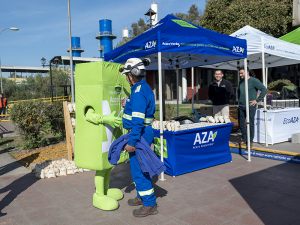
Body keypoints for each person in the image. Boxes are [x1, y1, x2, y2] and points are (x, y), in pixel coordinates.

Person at [121, 58, 158, 217]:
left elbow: (137, 121)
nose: (126, 77)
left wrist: (132, 142)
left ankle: (150, 204)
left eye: (127, 74)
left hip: (139, 134)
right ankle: (142, 196)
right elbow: (139, 108)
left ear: (132, 74)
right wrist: (127, 103)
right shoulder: (143, 88)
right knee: (139, 167)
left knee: (139, 169)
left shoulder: (138, 92)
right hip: (143, 132)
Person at [238, 67, 267, 146]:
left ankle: (250, 141)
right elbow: (239, 92)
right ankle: (244, 138)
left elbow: (264, 90)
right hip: (241, 105)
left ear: (247, 72)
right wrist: (238, 101)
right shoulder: (241, 82)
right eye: (240, 73)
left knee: (250, 123)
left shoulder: (254, 80)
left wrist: (257, 100)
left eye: (241, 73)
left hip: (250, 105)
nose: (240, 75)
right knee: (241, 123)